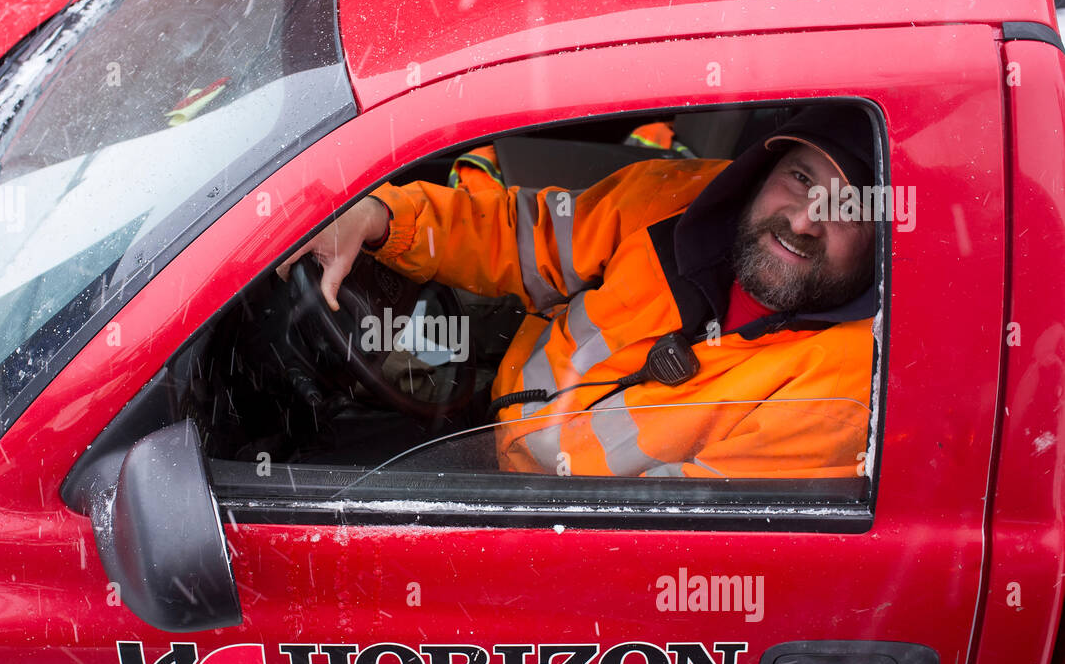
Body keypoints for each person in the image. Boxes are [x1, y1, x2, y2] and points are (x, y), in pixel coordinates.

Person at [278, 104, 878, 478]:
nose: (803, 220)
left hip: (544, 530)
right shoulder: (670, 201)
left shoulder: (844, 388)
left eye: (845, 207)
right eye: (800, 179)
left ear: (884, 239)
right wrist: (381, 218)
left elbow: (679, 538)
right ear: (761, 174)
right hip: (480, 428)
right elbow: (521, 238)